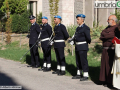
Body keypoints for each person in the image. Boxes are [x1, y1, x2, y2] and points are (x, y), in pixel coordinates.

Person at [69, 14, 91, 81]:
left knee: (83, 61)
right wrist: (73, 41)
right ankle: (79, 74)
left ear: (82, 19)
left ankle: (85, 75)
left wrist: (84, 43)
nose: (77, 20)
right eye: (77, 19)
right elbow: (76, 36)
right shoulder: (78, 28)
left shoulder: (86, 28)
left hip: (83, 46)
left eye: (78, 19)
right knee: (78, 61)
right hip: (77, 46)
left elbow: (88, 38)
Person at [99, 15, 118, 87]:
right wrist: (106, 36)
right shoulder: (107, 28)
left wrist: (105, 36)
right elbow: (102, 35)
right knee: (104, 65)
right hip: (105, 49)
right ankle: (104, 80)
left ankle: (110, 82)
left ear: (113, 20)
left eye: (108, 19)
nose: (107, 21)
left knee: (110, 66)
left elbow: (111, 36)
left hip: (112, 50)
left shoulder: (116, 28)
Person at [111, 21, 120, 89]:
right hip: (118, 57)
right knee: (117, 71)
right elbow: (113, 43)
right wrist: (115, 45)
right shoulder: (117, 34)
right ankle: (117, 85)